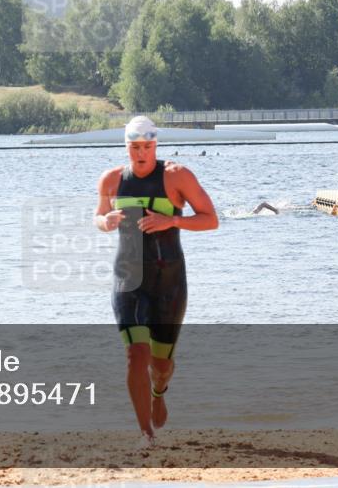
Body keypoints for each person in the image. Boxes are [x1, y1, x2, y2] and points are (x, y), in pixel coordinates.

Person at [94, 116, 219, 447]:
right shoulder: (111, 180)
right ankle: (145, 433)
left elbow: (211, 219)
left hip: (169, 281)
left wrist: (172, 220)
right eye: (134, 147)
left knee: (160, 364)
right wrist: (104, 222)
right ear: (126, 147)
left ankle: (158, 391)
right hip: (128, 278)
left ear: (156, 146)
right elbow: (99, 216)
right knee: (136, 354)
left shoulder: (177, 177)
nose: (140, 154)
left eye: (147, 147)